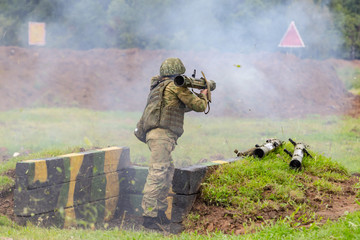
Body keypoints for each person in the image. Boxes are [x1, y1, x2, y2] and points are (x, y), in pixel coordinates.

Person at [134, 57, 209, 231]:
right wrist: (203, 96)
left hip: (158, 135)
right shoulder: (176, 86)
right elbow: (198, 106)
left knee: (166, 172)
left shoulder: (159, 87)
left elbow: (181, 106)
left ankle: (159, 212)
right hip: (161, 136)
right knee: (158, 173)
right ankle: (149, 217)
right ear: (178, 72)